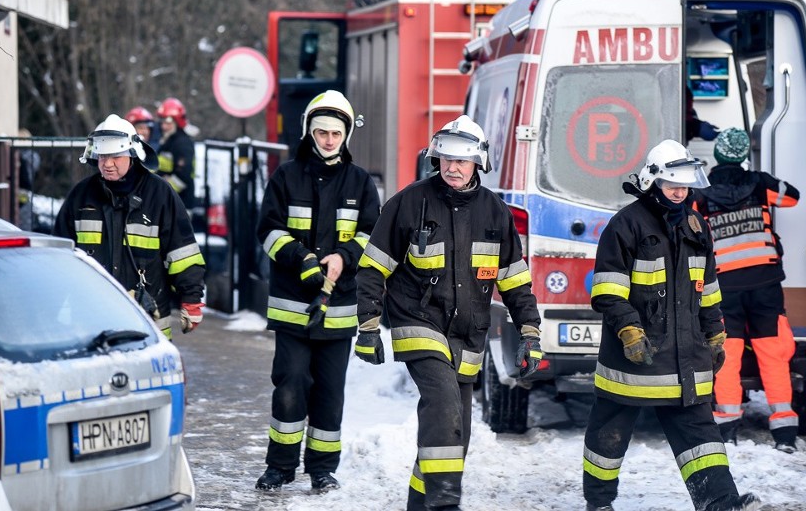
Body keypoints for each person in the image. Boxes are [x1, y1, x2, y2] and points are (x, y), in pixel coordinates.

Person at [355, 115, 542, 511]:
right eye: (446, 159)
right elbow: (373, 268)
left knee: (455, 436)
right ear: (435, 159)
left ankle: (419, 505)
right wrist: (369, 325)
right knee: (442, 405)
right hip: (417, 322)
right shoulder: (408, 203)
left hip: (468, 335)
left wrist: (530, 333)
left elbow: (514, 282)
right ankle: (445, 505)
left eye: (462, 161)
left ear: (479, 163)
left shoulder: (496, 214)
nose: (453, 168)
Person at [584, 139, 759, 511]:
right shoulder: (625, 225)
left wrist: (715, 334)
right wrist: (630, 330)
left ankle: (720, 502)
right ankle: (598, 503)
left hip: (686, 358)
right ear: (653, 182)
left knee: (701, 435)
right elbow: (607, 292)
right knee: (609, 435)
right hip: (632, 359)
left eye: (684, 184)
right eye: (671, 184)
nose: (680, 191)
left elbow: (707, 288)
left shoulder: (696, 226)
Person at [254, 90, 380, 494]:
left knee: (329, 393)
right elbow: (268, 230)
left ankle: (322, 470)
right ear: (309, 132)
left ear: (346, 136)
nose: (328, 139)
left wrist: (344, 257)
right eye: (321, 132)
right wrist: (300, 258)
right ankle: (280, 467)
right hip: (293, 307)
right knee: (289, 385)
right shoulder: (286, 176)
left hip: (339, 309)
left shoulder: (360, 182)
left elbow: (370, 234)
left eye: (335, 133)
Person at [692, 128, 800, 453]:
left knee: (728, 356)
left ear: (719, 154)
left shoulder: (702, 192)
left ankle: (726, 428)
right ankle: (784, 430)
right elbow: (792, 196)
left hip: (726, 288)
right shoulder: (760, 184)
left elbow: (691, 228)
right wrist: (760, 177)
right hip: (766, 284)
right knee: (773, 354)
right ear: (741, 156)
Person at [53, 114, 206, 340]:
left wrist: (191, 299)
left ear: (133, 154)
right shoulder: (81, 196)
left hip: (146, 323)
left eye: (115, 155)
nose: (107, 163)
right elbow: (60, 257)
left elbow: (182, 252)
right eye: (102, 155)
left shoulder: (160, 195)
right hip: (91, 322)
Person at [156, 97, 196, 210]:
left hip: (180, 204)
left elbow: (183, 177)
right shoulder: (169, 140)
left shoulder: (182, 143)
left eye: (168, 122)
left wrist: (162, 191)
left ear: (177, 122)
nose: (164, 126)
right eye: (162, 122)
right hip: (170, 202)